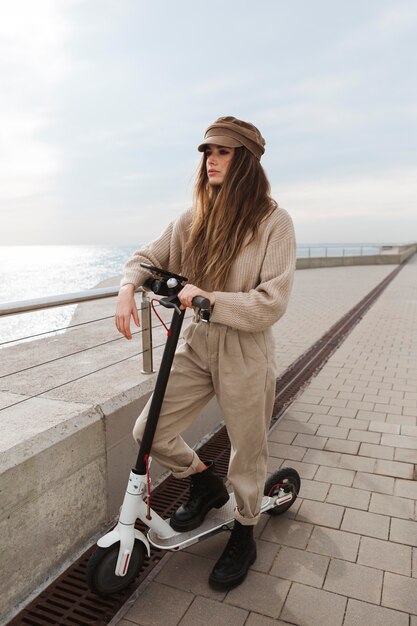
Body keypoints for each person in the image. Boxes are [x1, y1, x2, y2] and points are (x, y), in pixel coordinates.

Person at [115, 116, 296, 590]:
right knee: (147, 430)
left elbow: (271, 302)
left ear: (246, 162)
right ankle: (202, 480)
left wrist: (209, 299)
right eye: (207, 152)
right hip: (197, 343)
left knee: (247, 452)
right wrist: (126, 287)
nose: (210, 160)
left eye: (223, 152)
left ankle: (245, 528)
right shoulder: (192, 219)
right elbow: (144, 258)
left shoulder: (274, 223)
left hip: (245, 349)